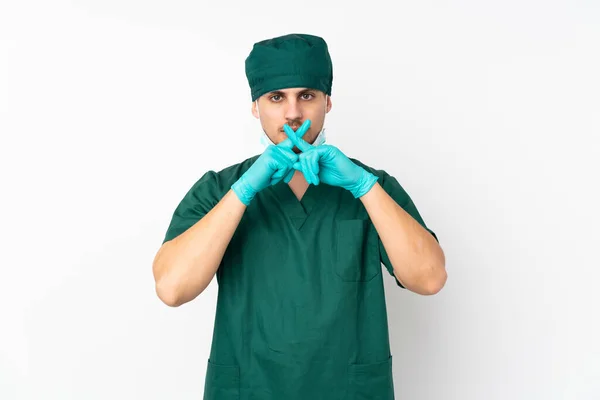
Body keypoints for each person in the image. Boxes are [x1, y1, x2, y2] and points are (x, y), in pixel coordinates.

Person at [152, 33, 447, 400]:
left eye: (306, 96)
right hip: (249, 389)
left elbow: (430, 278)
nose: (293, 113)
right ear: (256, 107)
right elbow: (172, 288)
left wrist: (363, 186)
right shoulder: (218, 190)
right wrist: (242, 193)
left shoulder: (374, 189)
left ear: (328, 101)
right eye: (277, 98)